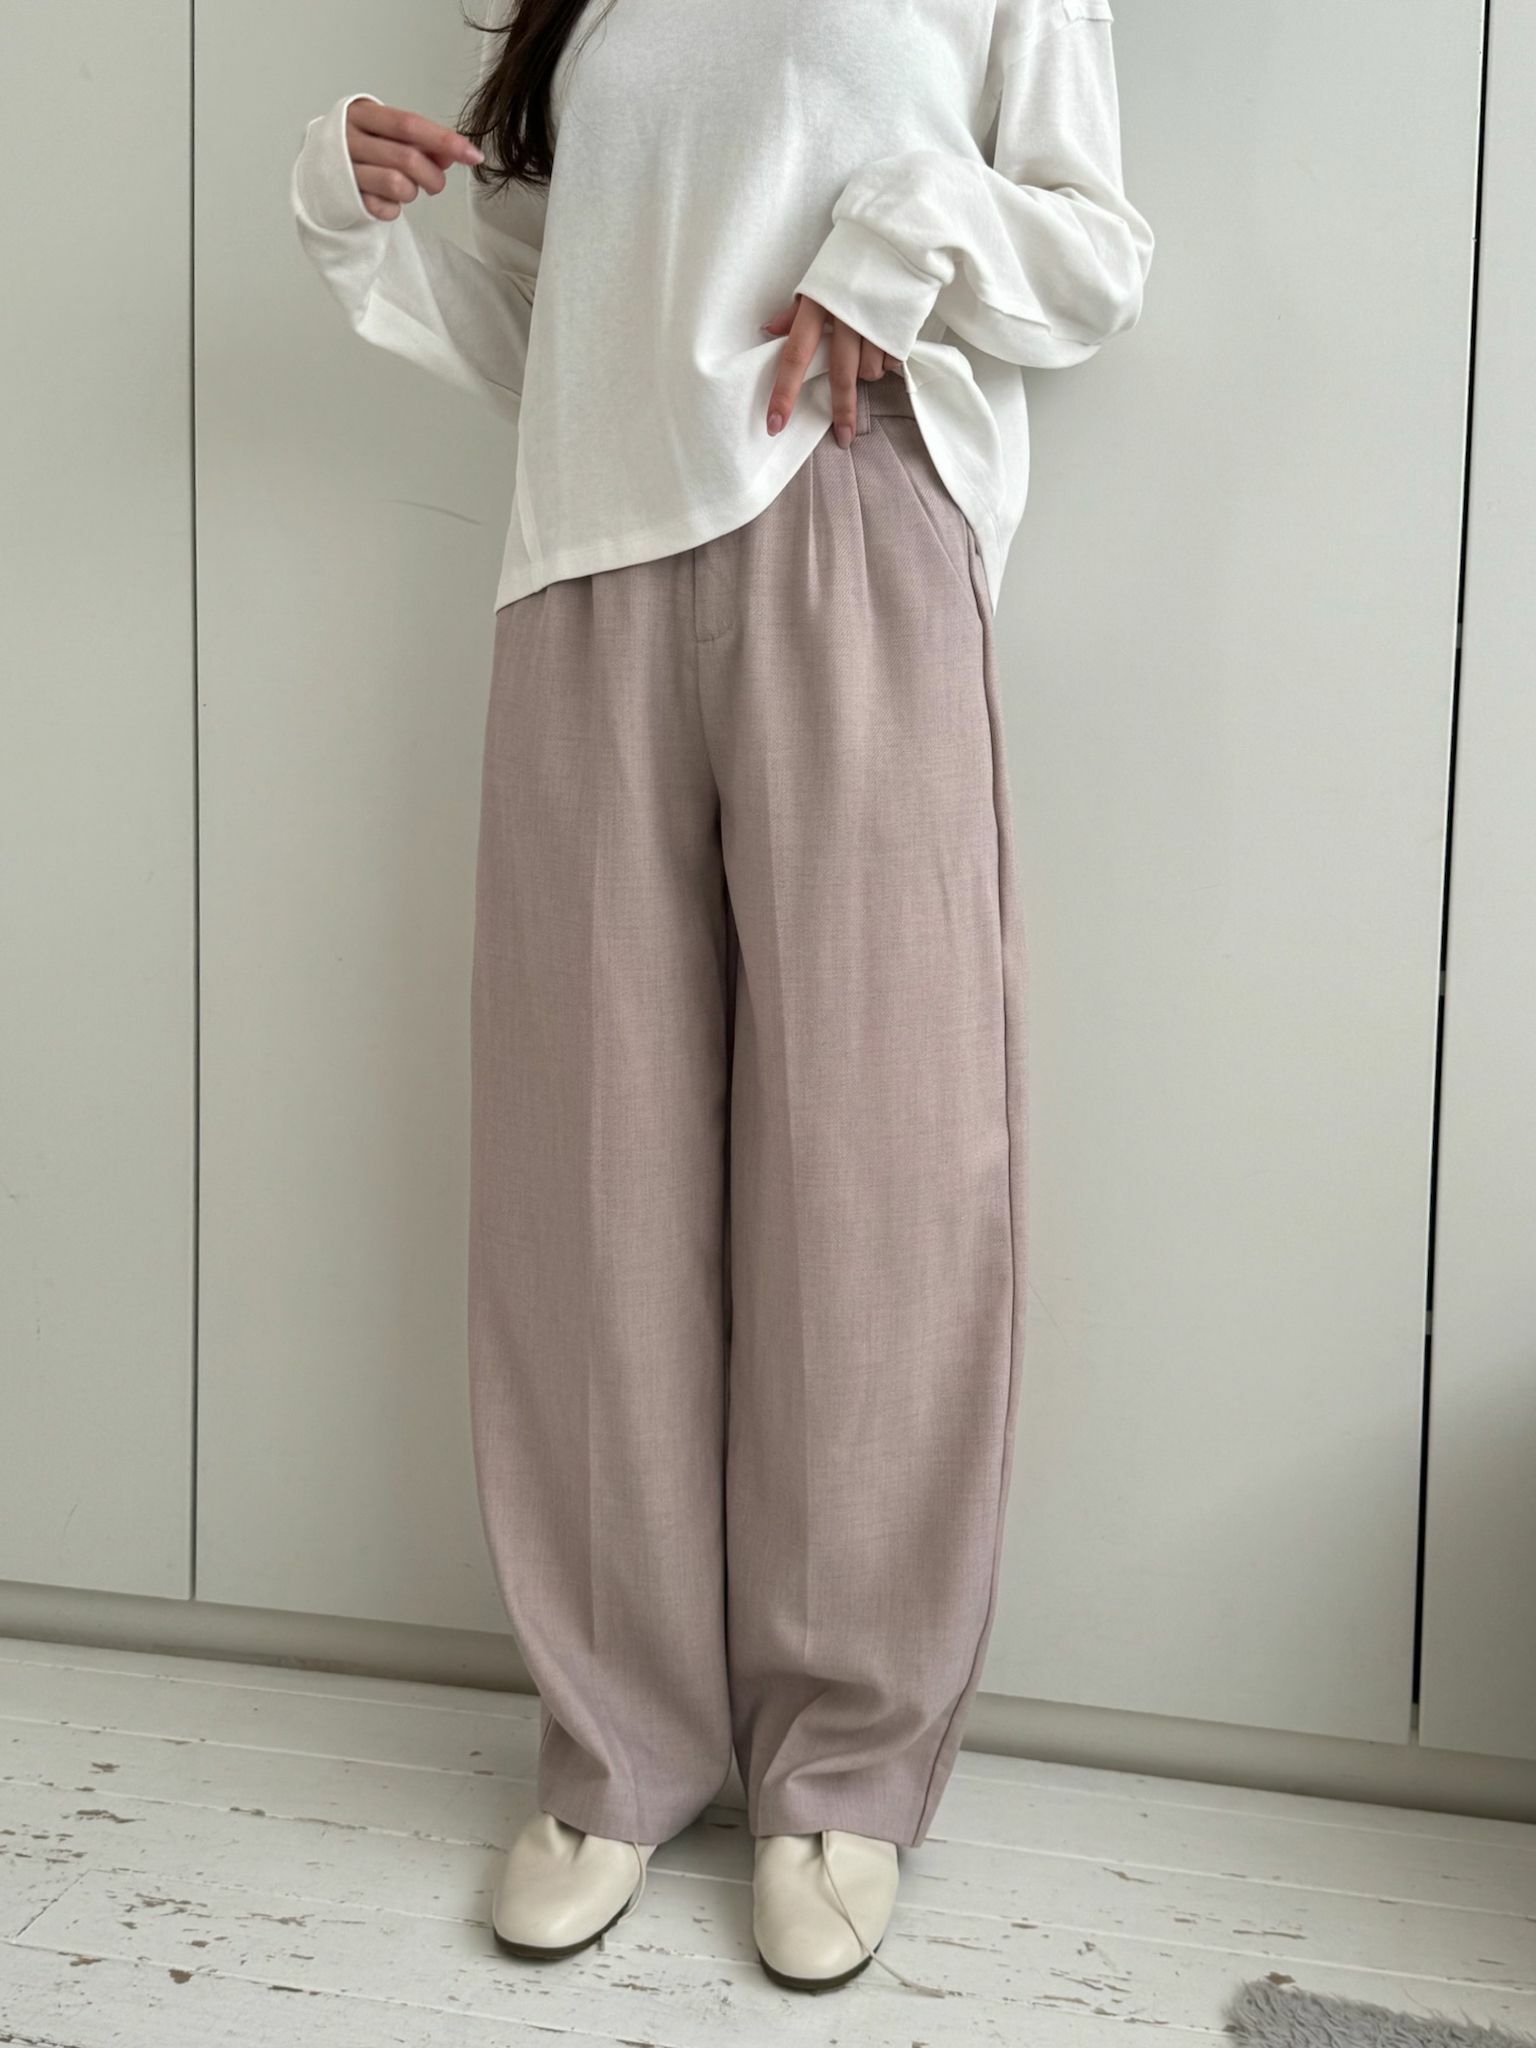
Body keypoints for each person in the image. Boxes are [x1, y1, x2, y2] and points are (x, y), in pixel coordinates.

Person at [290, 0, 1153, 1996]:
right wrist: (355, 213)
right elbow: (563, 328)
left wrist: (905, 232)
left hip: (851, 513)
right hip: (583, 562)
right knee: (584, 1183)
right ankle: (619, 1742)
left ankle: (842, 1762)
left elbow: (1095, 252)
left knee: (879, 1168)